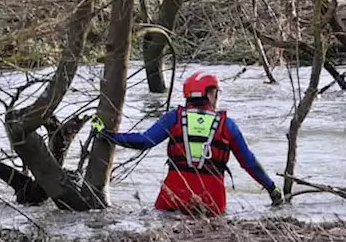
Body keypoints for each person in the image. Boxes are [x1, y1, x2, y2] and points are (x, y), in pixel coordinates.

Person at [94, 70, 284, 217]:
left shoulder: (174, 118)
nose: (217, 98)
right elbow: (248, 162)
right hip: (212, 202)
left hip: (173, 197)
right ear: (209, 93)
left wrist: (109, 135)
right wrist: (271, 188)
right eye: (216, 92)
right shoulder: (227, 124)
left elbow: (144, 141)